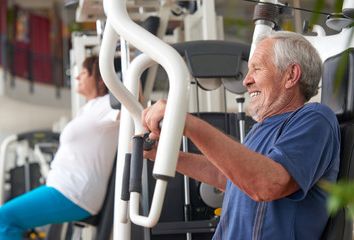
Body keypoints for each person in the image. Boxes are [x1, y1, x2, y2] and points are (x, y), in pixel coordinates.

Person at [141, 31, 341, 240]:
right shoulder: (260, 128)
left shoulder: (316, 118)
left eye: (256, 69)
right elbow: (227, 178)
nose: (246, 81)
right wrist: (161, 153)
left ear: (291, 75)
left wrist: (188, 123)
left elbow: (267, 184)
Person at [0, 56, 120, 239]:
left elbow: (132, 109)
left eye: (84, 73)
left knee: (3, 219)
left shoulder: (107, 105)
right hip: (64, 187)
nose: (78, 77)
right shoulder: (89, 108)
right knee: (4, 218)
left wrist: (126, 65)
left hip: (74, 191)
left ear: (101, 78)